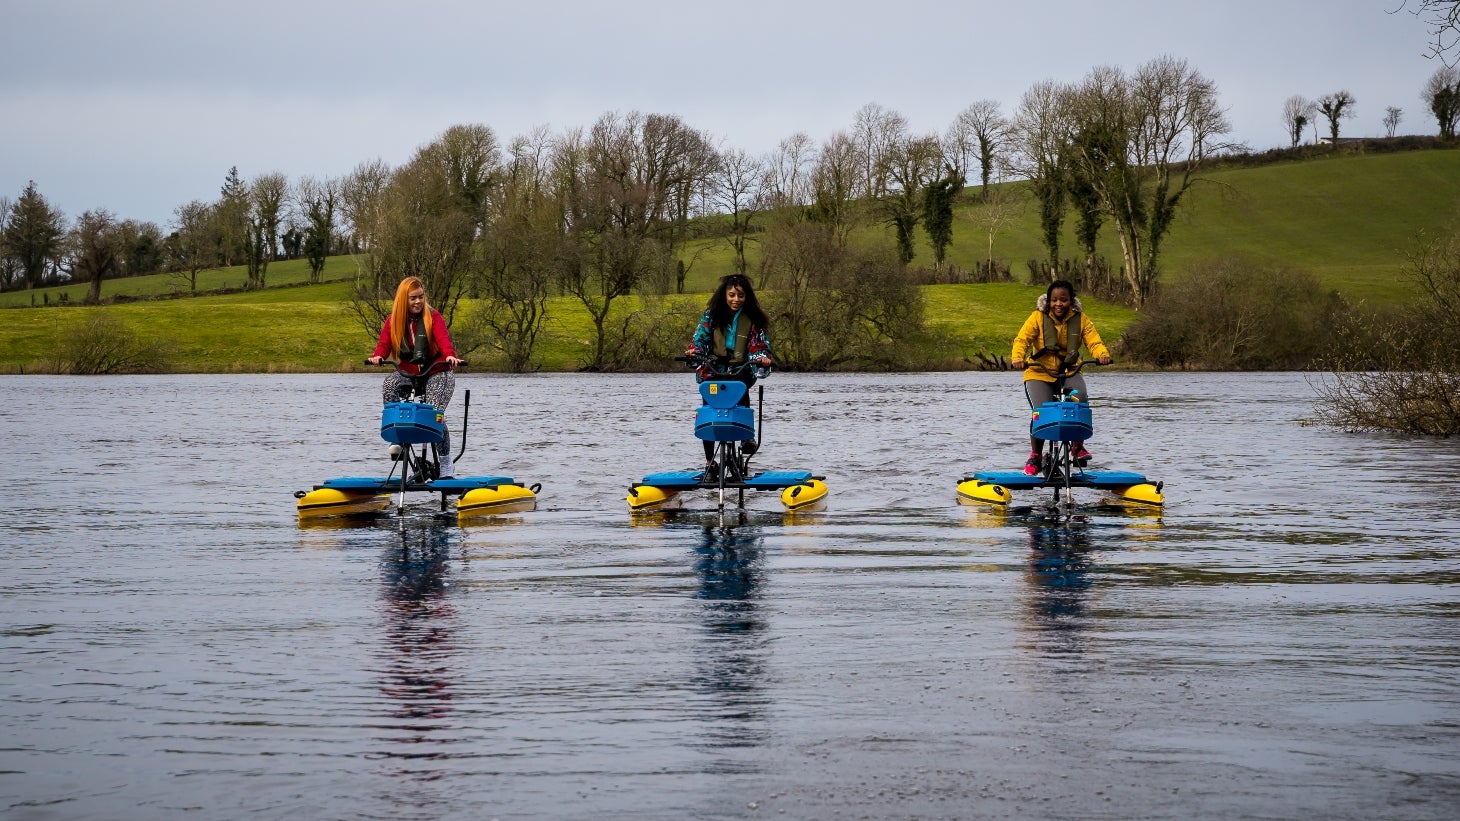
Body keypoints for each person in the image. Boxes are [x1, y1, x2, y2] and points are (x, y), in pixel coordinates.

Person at [1011, 279, 1111, 476]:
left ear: (1071, 301)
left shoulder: (1081, 319)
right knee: (1041, 411)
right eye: (1054, 300)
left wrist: (1102, 354)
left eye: (1063, 300)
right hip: (1039, 372)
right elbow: (1022, 339)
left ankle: (1077, 447)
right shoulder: (1037, 317)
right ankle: (1036, 456)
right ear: (1048, 301)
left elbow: (1094, 341)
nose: (1059, 304)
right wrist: (1017, 358)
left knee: (1079, 398)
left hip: (1069, 371)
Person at [367, 277, 462, 478]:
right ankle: (398, 439)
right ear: (404, 300)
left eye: (420, 297)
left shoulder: (433, 317)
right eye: (413, 298)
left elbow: (443, 340)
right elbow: (384, 345)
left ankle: (446, 464)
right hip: (409, 372)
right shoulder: (393, 321)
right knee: (389, 385)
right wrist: (378, 357)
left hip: (438, 370)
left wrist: (450, 355)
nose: (418, 302)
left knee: (434, 415)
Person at [684, 274, 774, 474]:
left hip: (741, 368)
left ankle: (746, 438)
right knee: (708, 403)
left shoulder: (753, 319)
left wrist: (761, 357)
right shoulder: (711, 315)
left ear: (746, 296)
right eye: (732, 295)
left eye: (740, 295)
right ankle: (709, 462)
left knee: (739, 386)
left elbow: (758, 344)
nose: (736, 299)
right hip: (715, 369)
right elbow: (700, 339)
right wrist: (694, 352)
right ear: (724, 295)